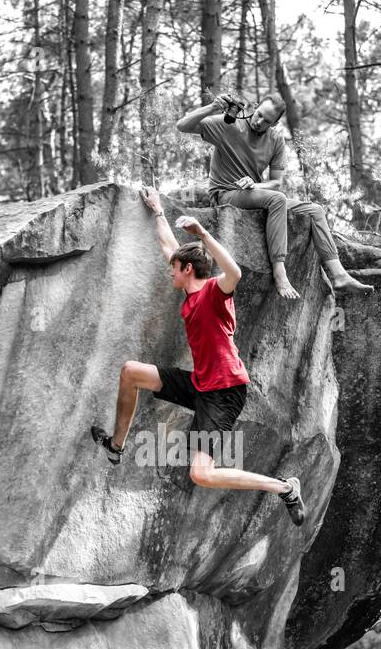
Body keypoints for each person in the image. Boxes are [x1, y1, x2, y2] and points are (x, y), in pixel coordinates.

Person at [90, 185, 306, 526]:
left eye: (174, 268)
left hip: (224, 392)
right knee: (131, 372)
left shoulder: (215, 291)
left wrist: (202, 232)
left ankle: (284, 488)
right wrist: (157, 209)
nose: (170, 271)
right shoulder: (190, 291)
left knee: (202, 474)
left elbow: (234, 272)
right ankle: (116, 447)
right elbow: (168, 246)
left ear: (188, 269)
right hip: (201, 384)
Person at [176, 91, 373, 301]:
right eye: (259, 114)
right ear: (255, 107)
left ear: (275, 123)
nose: (259, 121)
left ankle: (339, 274)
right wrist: (213, 107)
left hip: (253, 193)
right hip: (226, 194)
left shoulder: (276, 140)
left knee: (315, 210)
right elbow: (182, 125)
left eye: (266, 120)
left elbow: (276, 182)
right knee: (276, 199)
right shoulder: (228, 124)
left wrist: (256, 184)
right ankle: (280, 271)